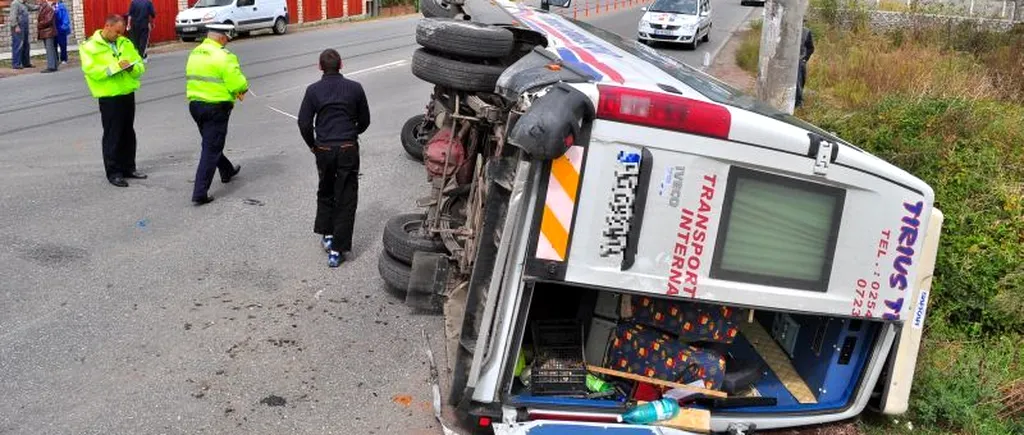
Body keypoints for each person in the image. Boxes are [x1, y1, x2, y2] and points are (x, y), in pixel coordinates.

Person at [297, 49, 371, 267]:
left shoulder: (313, 91)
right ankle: (337, 250)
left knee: (326, 189)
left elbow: (303, 123)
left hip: (324, 149)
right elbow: (365, 120)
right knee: (347, 195)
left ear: (319, 67)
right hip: (347, 146)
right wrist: (352, 132)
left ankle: (327, 233)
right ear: (341, 65)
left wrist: (313, 145)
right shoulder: (355, 88)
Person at [79, 14, 147, 187]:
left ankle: (129, 168)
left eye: (121, 32)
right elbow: (91, 70)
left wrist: (132, 68)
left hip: (126, 92)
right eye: (116, 32)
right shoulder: (89, 46)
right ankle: (114, 172)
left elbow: (140, 65)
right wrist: (115, 67)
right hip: (109, 96)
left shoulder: (125, 43)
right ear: (107, 26)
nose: (119, 35)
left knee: (128, 133)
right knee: (113, 135)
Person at [185, 23, 246, 206]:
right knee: (211, 149)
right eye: (227, 37)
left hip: (195, 105)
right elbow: (237, 84)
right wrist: (243, 87)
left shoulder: (195, 52)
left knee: (210, 142)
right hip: (216, 107)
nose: (227, 41)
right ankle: (200, 193)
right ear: (221, 37)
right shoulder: (225, 56)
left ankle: (226, 170)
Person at [7, 0, 39, 69]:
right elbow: (13, 16)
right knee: (18, 45)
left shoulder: (24, 4)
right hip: (18, 27)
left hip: (25, 27)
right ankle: (16, 64)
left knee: (26, 45)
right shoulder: (15, 3)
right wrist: (16, 26)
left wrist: (42, 5)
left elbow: (33, 7)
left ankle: (26, 63)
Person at [796, 23, 815, 108]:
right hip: (786, 62)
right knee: (796, 82)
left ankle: (798, 102)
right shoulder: (785, 29)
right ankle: (798, 103)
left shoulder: (806, 31)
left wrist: (805, 59)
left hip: (800, 60)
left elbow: (810, 48)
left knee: (800, 81)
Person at [37, 0, 58, 72]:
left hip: (48, 32)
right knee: (51, 49)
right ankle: (54, 65)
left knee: (49, 49)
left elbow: (48, 20)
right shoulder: (42, 7)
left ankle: (51, 66)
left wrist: (39, 25)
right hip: (46, 32)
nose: (37, 1)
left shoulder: (48, 8)